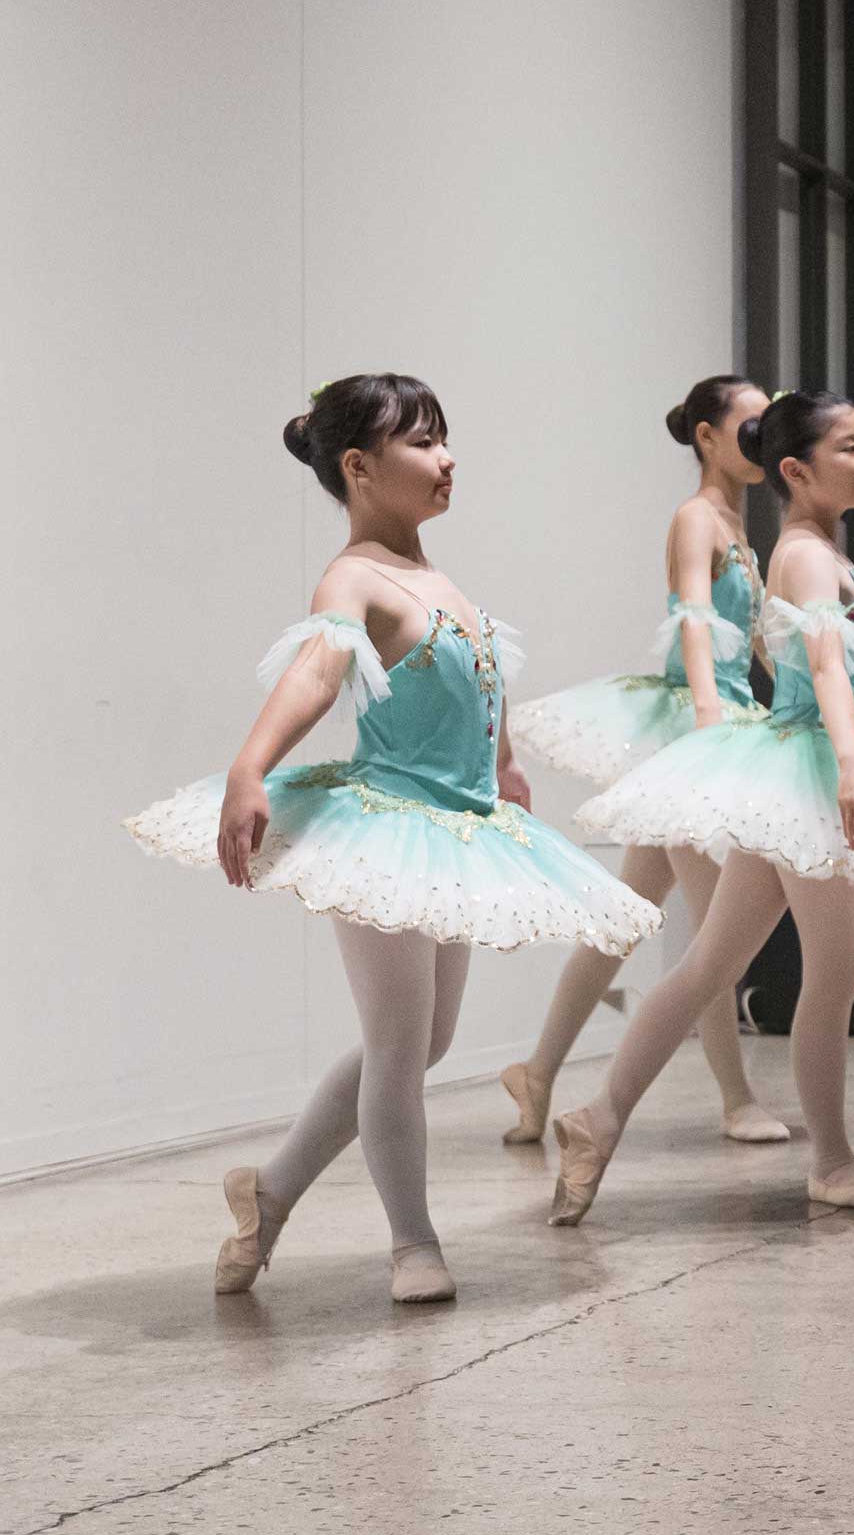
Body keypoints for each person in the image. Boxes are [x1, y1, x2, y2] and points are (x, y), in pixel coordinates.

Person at [123, 375, 662, 1304]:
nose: (446, 458)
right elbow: (318, 671)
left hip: (457, 828)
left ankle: (269, 1192)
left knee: (422, 1042)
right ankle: (413, 1241)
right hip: (383, 830)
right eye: (421, 442)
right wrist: (250, 767)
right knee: (400, 1046)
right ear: (359, 467)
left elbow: (473, 683)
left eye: (444, 438)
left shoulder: (439, 578)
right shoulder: (356, 576)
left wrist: (503, 764)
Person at [552, 391, 854, 1225]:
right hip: (808, 776)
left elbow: (841, 678)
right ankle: (832, 1161)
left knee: (710, 965)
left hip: (794, 771)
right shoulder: (808, 556)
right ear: (795, 470)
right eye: (848, 446)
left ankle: (599, 1117)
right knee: (832, 972)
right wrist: (851, 761)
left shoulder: (820, 552)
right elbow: (823, 666)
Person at [498, 374, 785, 1150]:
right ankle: (735, 1097)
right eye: (751, 426)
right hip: (690, 730)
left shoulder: (738, 526)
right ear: (708, 436)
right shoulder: (695, 518)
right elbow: (694, 621)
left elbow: (758, 636)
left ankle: (536, 1072)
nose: (763, 441)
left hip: (721, 724)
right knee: (715, 932)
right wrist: (707, 723)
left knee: (622, 923)